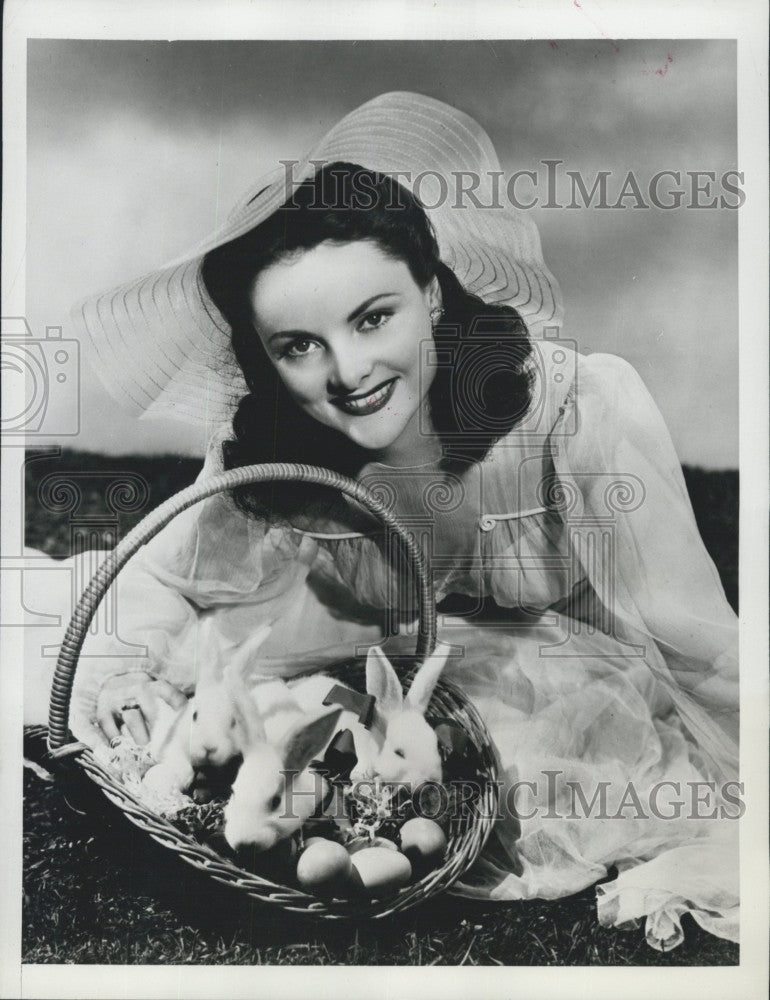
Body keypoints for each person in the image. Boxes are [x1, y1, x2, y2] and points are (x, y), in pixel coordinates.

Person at [27, 93, 738, 951]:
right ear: (266, 355)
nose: (349, 372)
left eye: (373, 318)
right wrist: (123, 676)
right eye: (299, 345)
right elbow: (161, 578)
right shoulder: (276, 450)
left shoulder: (576, 409)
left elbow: (702, 640)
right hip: (382, 702)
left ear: (432, 295)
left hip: (572, 705)